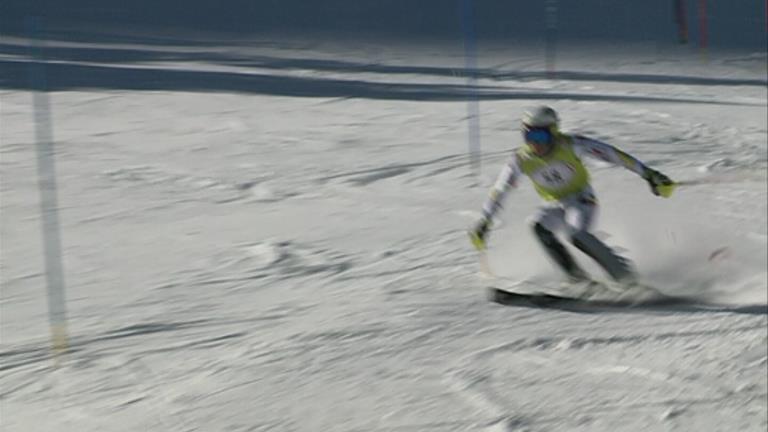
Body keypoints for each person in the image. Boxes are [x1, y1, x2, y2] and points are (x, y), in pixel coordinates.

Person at [469, 106, 674, 283]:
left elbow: (613, 155)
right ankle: (577, 279)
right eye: (529, 136)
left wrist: (648, 174)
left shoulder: (572, 145)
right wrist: (485, 221)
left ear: (554, 132)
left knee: (577, 235)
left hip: (581, 200)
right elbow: (500, 189)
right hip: (554, 204)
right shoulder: (520, 159)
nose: (536, 144)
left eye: (541, 136)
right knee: (537, 225)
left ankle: (625, 278)